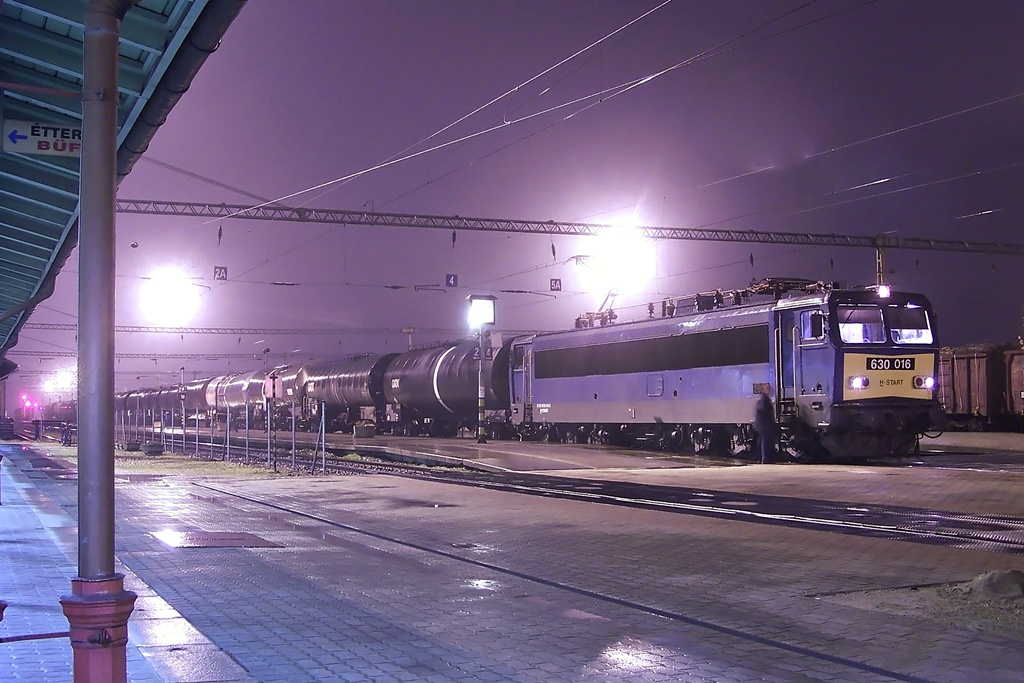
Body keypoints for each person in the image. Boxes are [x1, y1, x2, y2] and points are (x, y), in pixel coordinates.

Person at [753, 392, 777, 464]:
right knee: (766, 443)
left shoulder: (760, 402)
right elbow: (768, 415)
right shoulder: (765, 402)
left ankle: (762, 458)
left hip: (761, 426)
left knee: (762, 442)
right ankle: (765, 459)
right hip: (766, 426)